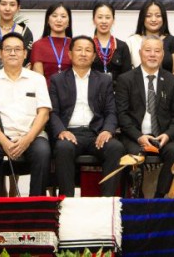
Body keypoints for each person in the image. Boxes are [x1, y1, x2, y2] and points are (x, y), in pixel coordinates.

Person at [0, 32, 51, 196]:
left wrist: (27, 140)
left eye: (17, 49)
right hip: (0, 137)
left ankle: (36, 204)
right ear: (0, 53)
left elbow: (44, 113)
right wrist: (4, 142)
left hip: (32, 136)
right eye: (8, 49)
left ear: (25, 54)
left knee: (43, 152)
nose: (12, 53)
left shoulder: (37, 79)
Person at [47, 36, 125, 197]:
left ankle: (107, 200)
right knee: (63, 148)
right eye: (79, 49)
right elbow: (52, 112)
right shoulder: (57, 80)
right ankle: (66, 201)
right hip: (69, 133)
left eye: (88, 50)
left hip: (95, 134)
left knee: (116, 148)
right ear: (70, 54)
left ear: (94, 56)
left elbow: (111, 111)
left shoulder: (104, 80)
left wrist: (107, 131)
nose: (83, 53)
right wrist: (61, 131)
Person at [115, 36, 174, 198]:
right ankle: (137, 198)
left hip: (162, 136)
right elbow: (122, 115)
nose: (152, 55)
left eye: (157, 51)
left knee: (173, 152)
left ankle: (159, 197)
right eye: (148, 50)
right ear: (140, 53)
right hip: (135, 136)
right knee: (134, 156)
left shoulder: (172, 81)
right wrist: (139, 137)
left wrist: (167, 135)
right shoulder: (126, 79)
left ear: (163, 55)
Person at [127, 0, 174, 76]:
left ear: (163, 18)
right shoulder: (131, 41)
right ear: (142, 18)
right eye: (148, 16)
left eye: (158, 16)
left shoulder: (172, 41)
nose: (153, 19)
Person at [31, 3, 73, 85]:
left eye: (63, 16)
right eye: (54, 16)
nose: (59, 20)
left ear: (68, 22)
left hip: (71, 94)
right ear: (48, 20)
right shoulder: (38, 45)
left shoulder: (75, 45)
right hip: (46, 94)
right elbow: (38, 80)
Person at [90, 3, 132, 81]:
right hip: (93, 91)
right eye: (100, 17)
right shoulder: (88, 46)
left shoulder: (122, 46)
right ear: (93, 20)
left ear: (113, 20)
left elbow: (127, 77)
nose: (104, 21)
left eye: (108, 17)